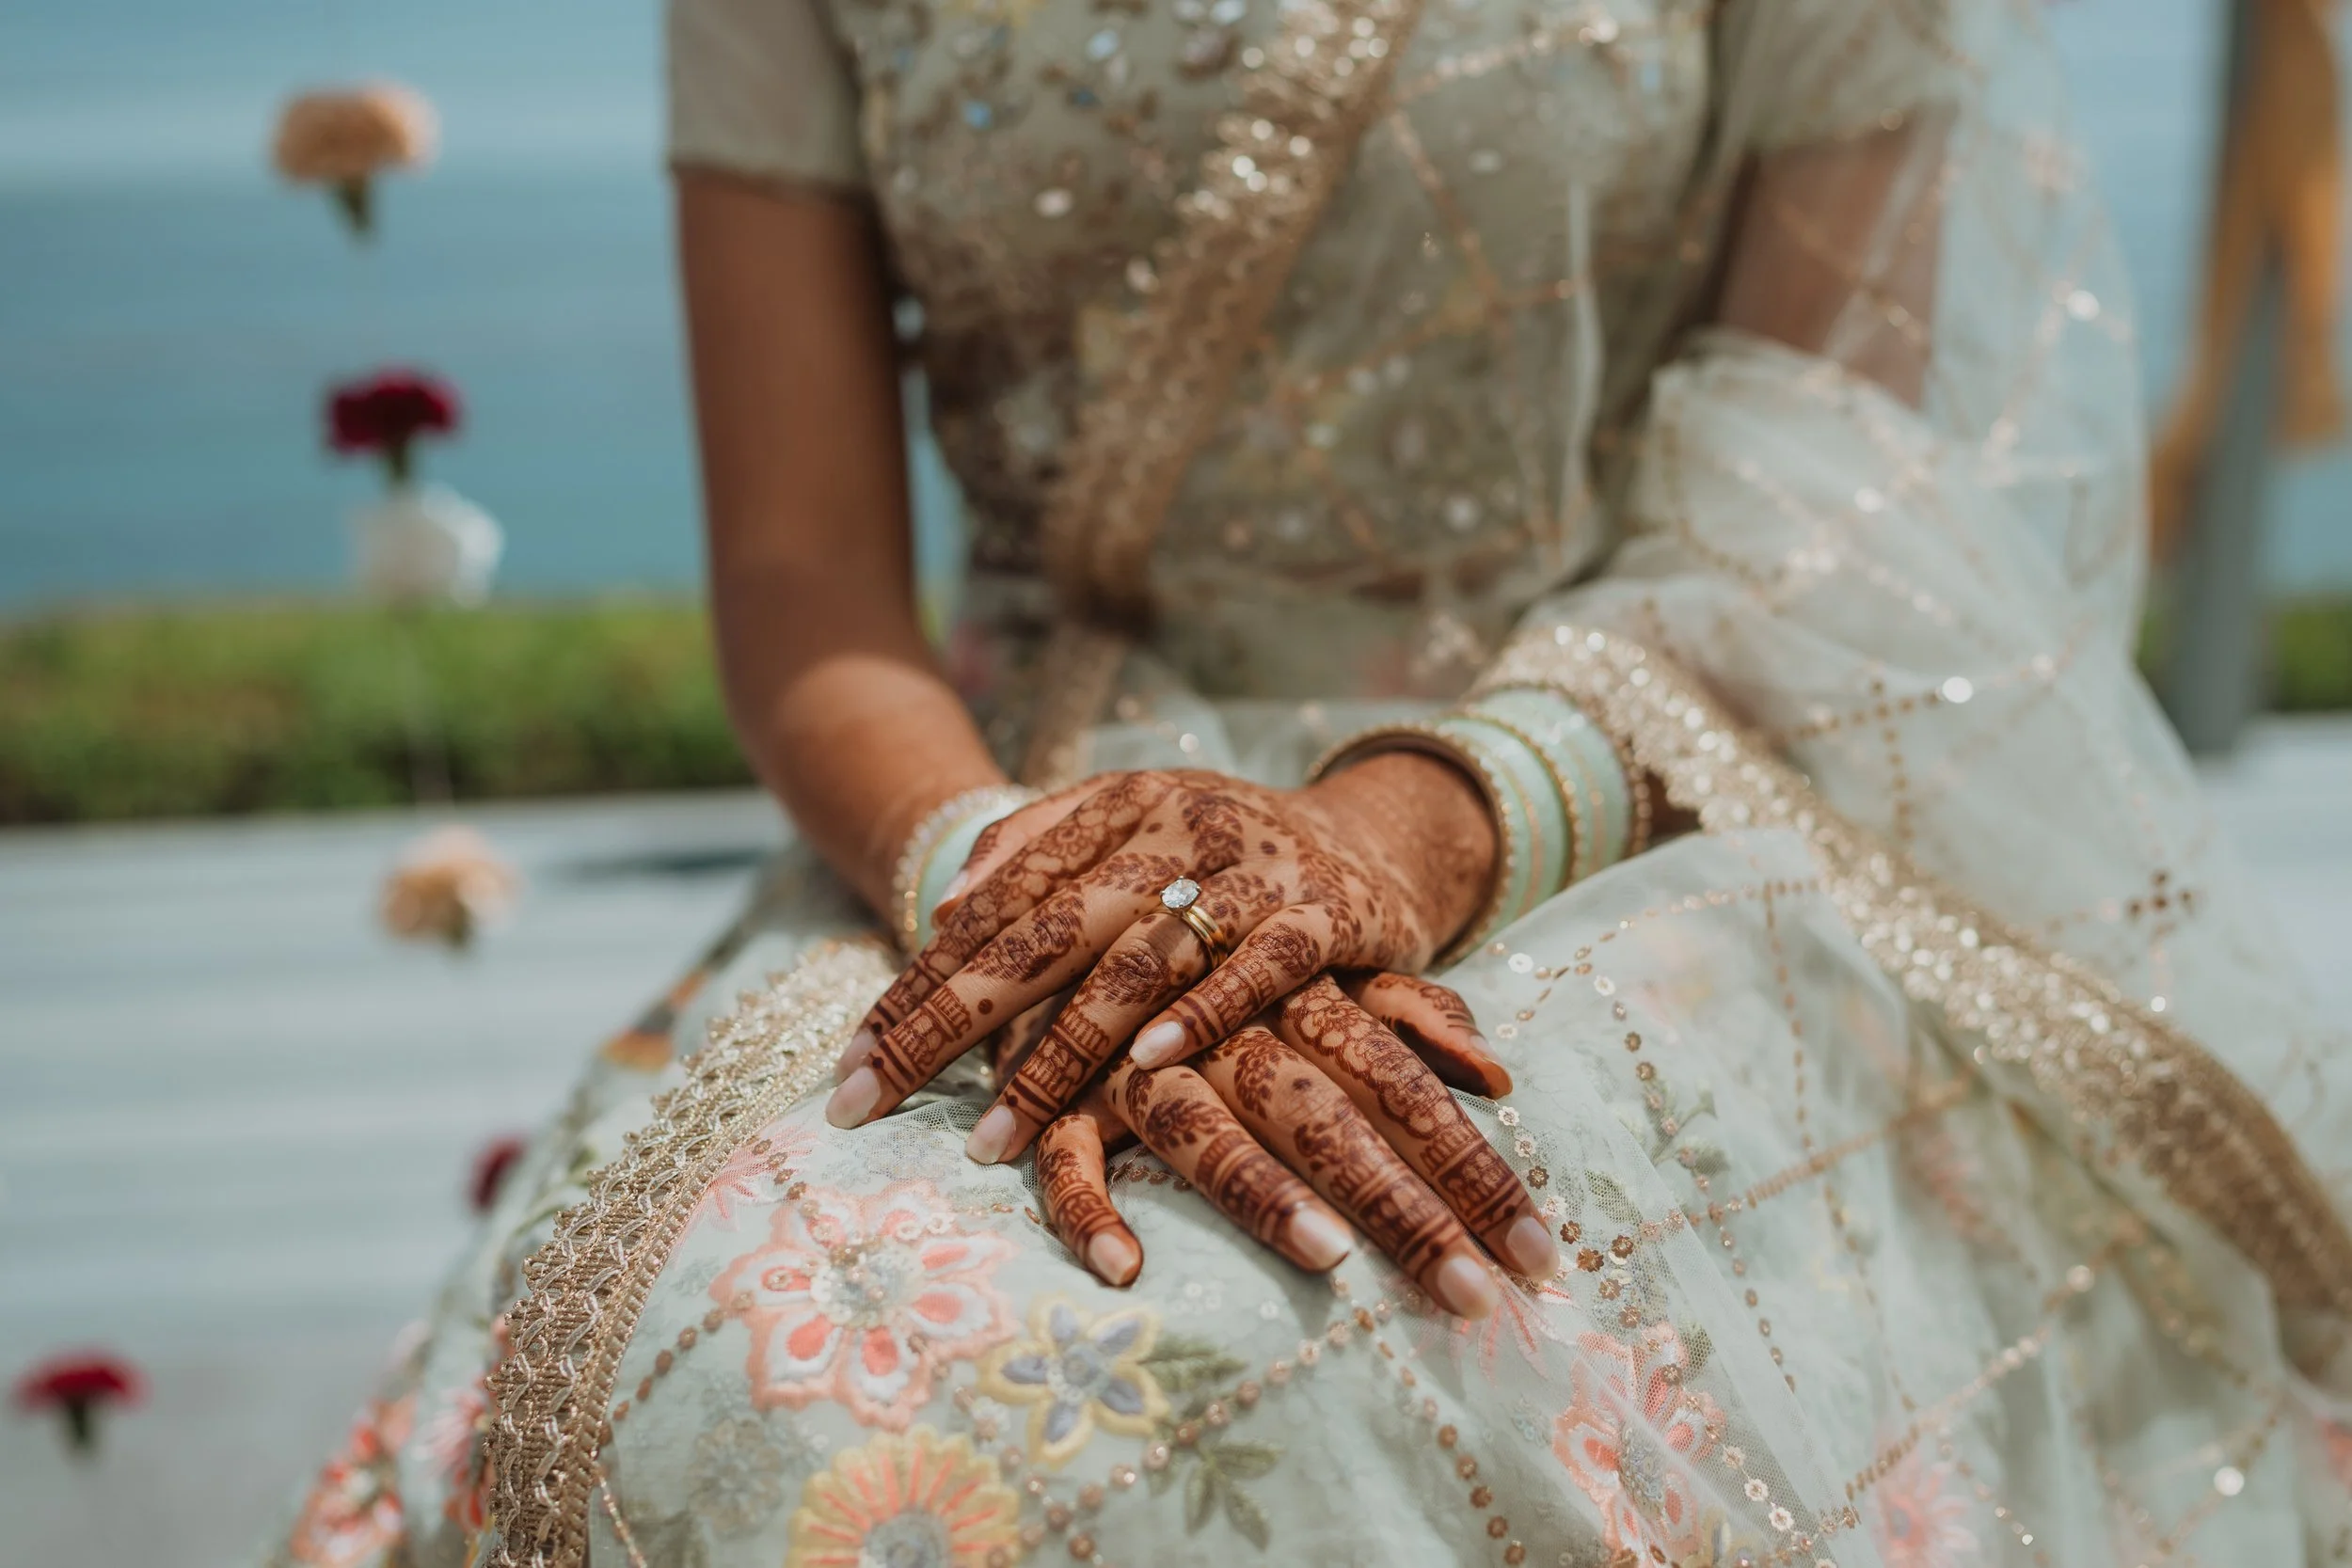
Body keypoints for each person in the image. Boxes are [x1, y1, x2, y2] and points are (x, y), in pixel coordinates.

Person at [265, 1, 2352, 1564]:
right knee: (751, 1377)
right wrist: (1018, 875)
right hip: (1004, 817)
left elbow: (1839, 501)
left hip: (1610, 791)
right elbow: (806, 569)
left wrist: (1397, 831)